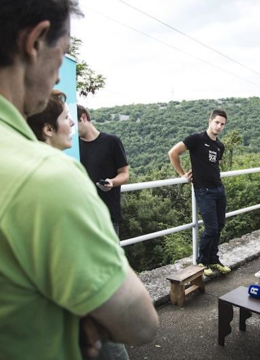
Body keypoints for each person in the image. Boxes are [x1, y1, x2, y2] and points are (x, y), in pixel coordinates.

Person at [0, 1, 158, 360]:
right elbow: (141, 325)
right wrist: (78, 314)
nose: (58, 77)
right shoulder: (45, 177)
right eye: (62, 53)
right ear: (36, 41)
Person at [28, 95, 131, 360]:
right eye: (65, 117)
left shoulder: (31, 170)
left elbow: (125, 173)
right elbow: (143, 323)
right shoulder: (59, 174)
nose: (71, 122)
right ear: (48, 129)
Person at [168, 109, 231, 276]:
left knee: (219, 226)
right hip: (204, 190)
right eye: (216, 122)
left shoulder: (220, 146)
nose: (219, 126)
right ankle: (202, 261)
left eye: (222, 124)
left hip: (219, 188)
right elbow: (173, 153)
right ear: (210, 121)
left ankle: (213, 259)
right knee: (211, 228)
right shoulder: (196, 139)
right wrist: (182, 174)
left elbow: (214, 164)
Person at [77, 105, 130, 236]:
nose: (70, 126)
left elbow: (124, 174)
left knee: (110, 256)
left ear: (83, 117)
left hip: (107, 215)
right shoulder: (72, 146)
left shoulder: (112, 142)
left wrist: (111, 182)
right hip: (81, 217)